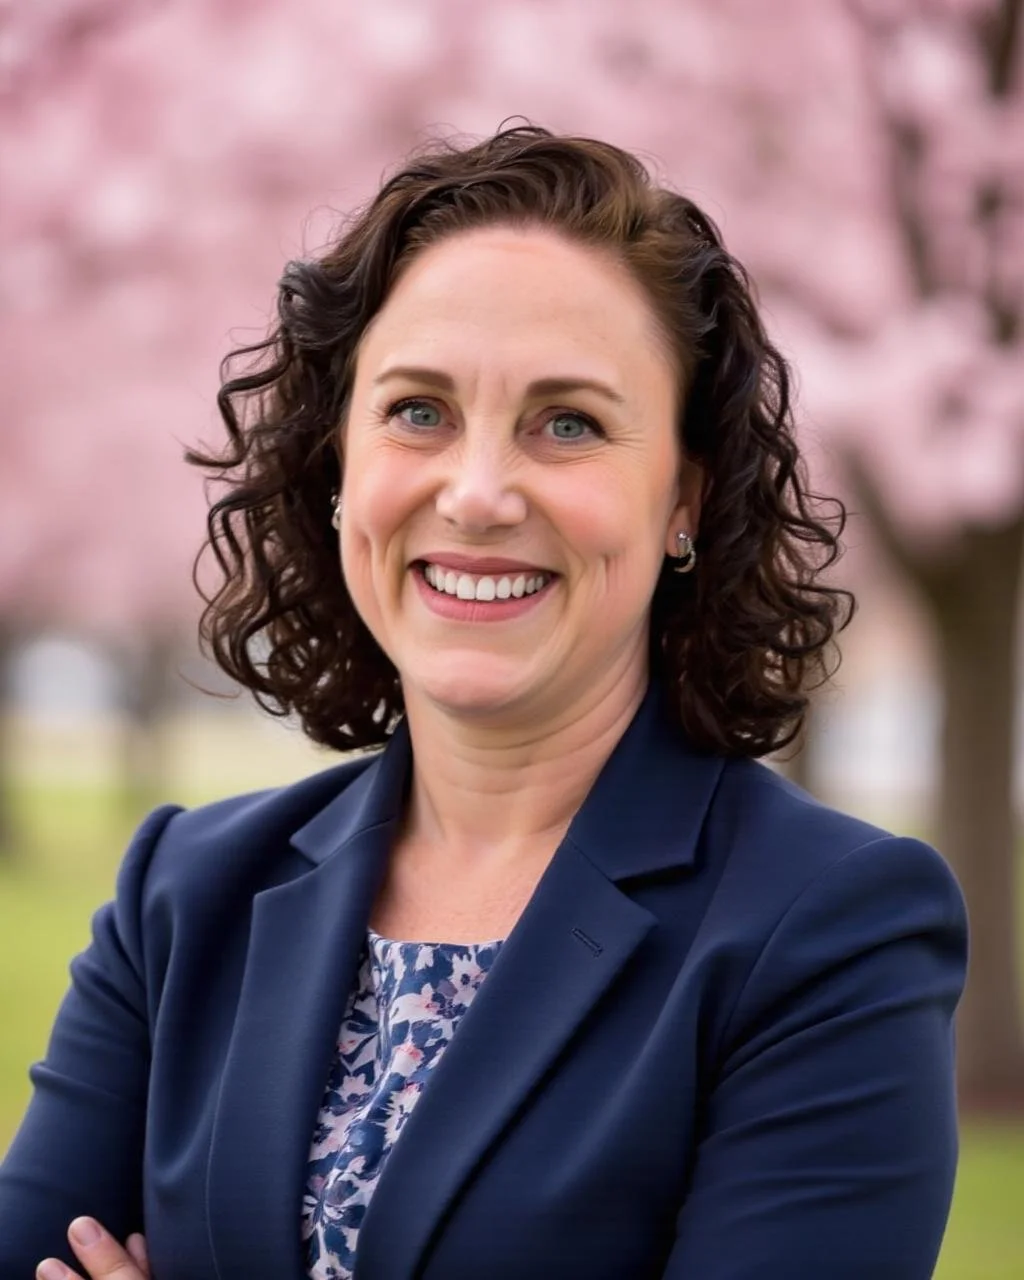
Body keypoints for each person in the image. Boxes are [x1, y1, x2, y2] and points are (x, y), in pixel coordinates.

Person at [1, 124, 967, 1280]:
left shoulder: (828, 930)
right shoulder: (185, 894)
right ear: (339, 462)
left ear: (684, 501)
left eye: (568, 423)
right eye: (418, 410)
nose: (477, 492)